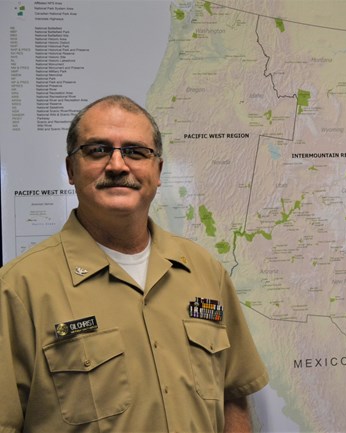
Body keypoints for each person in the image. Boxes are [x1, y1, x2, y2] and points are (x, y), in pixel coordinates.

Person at [0, 95, 269, 432]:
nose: (117, 165)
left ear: (157, 171)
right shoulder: (17, 289)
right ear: (71, 169)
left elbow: (233, 393)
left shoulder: (204, 271)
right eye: (97, 150)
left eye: (135, 152)